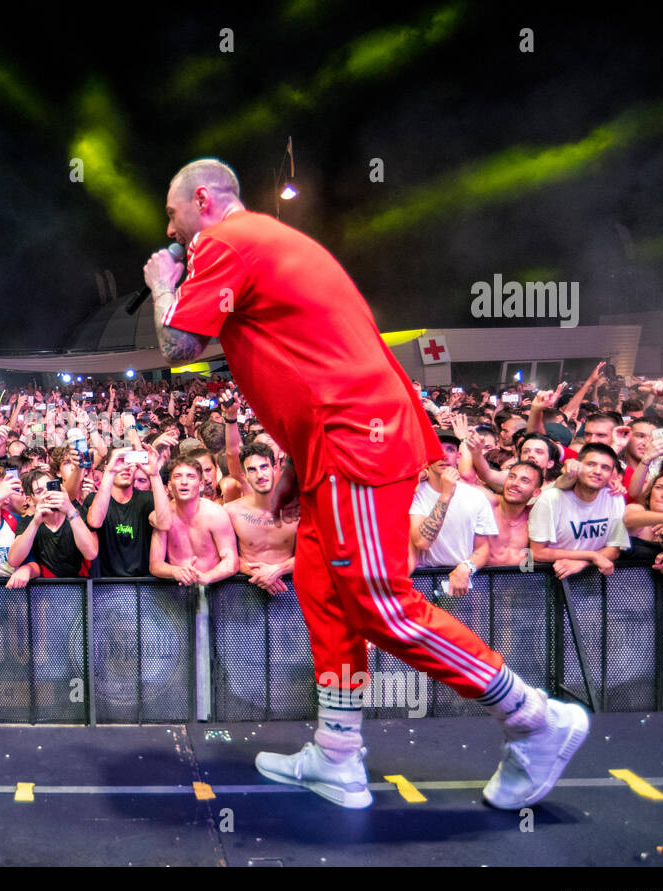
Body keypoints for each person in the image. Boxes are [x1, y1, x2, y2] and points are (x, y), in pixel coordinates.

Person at [144, 157, 588, 810]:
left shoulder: (223, 240)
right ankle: (338, 753)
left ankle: (535, 719)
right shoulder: (268, 241)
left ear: (202, 200)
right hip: (336, 441)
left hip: (354, 437)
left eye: (172, 213)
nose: (172, 228)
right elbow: (314, 350)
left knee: (378, 601)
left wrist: (163, 284)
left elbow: (178, 346)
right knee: (325, 592)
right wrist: (296, 461)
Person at [409, 432, 496, 597]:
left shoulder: (476, 497)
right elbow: (422, 542)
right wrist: (445, 495)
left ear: (458, 456)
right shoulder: (416, 493)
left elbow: (483, 548)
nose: (443, 455)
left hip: (463, 580)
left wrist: (467, 567)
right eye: (436, 450)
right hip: (425, 580)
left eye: (450, 449)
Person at [528, 444, 630, 578]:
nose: (598, 471)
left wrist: (583, 563)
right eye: (591, 464)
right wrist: (591, 555)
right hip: (552, 577)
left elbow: (615, 549)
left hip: (592, 579)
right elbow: (536, 552)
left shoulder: (614, 498)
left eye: (605, 468)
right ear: (578, 467)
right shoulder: (551, 499)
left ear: (611, 475)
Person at [83, 447, 172, 577]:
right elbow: (95, 522)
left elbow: (164, 524)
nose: (125, 467)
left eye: (129, 462)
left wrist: (154, 474)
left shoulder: (146, 499)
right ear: (108, 465)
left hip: (143, 584)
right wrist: (110, 472)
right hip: (107, 586)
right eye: (120, 461)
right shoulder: (94, 499)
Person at [149, 457, 238, 586]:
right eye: (178, 476)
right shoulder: (163, 516)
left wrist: (207, 577)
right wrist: (175, 571)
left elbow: (231, 562)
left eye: (190, 476)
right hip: (175, 591)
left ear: (200, 485)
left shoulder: (215, 514)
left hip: (213, 589)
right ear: (169, 484)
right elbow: (155, 564)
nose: (184, 482)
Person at [223, 442, 297, 594]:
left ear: (274, 468)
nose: (260, 475)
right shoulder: (232, 512)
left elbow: (310, 555)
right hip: (246, 588)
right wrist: (259, 573)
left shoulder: (296, 512)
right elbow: (226, 557)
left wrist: (277, 570)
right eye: (252, 469)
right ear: (244, 475)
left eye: (264, 466)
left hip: (288, 589)